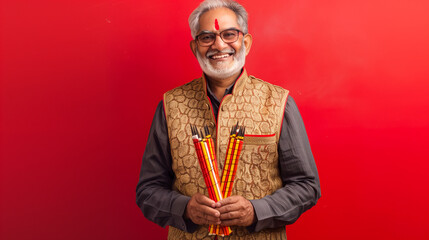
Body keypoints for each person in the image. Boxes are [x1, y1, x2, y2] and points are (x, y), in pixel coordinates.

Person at [136, 0, 321, 239]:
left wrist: (256, 211)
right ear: (195, 47)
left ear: (246, 42)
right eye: (207, 37)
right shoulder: (170, 105)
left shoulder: (278, 102)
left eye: (229, 34)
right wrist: (184, 208)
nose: (219, 44)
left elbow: (307, 187)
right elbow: (147, 191)